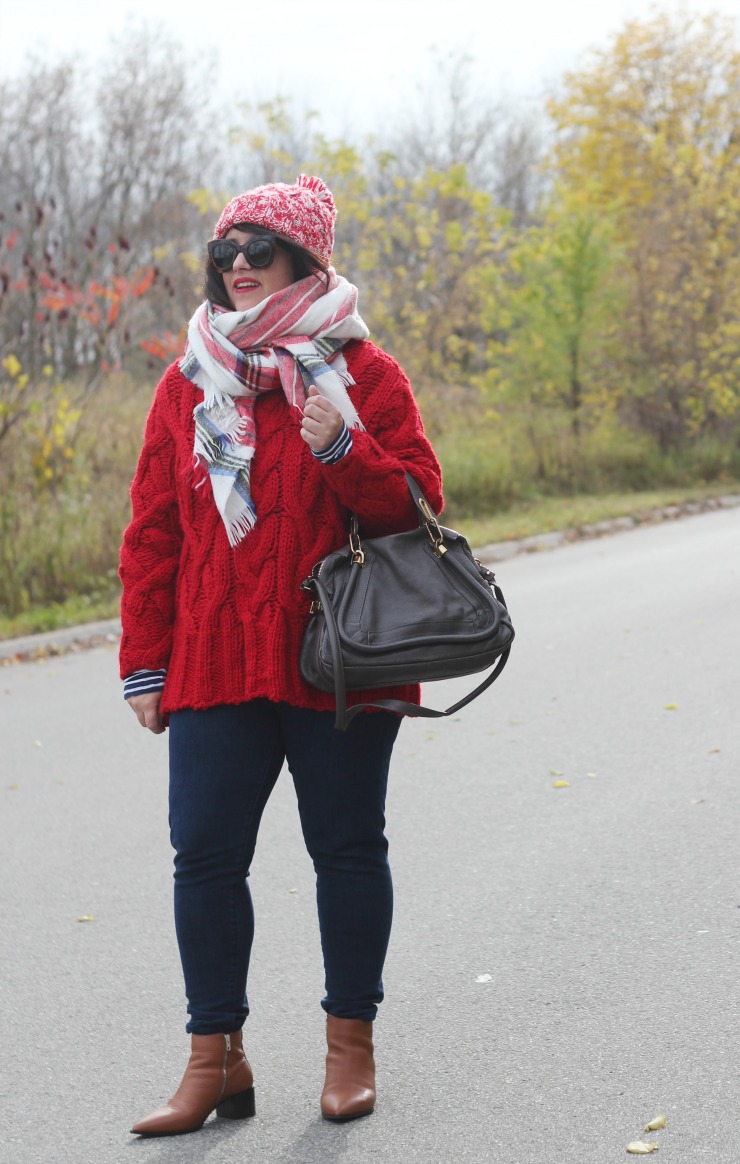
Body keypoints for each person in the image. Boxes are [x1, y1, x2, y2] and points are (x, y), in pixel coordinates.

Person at [119, 174, 443, 1137]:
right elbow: (153, 531)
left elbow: (419, 509)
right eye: (226, 253)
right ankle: (214, 1061)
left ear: (308, 259)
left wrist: (345, 448)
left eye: (261, 249)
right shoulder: (189, 383)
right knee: (204, 856)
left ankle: (351, 1049)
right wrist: (145, 660)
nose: (241, 266)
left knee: (346, 849)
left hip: (340, 659)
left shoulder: (367, 374)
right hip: (214, 659)